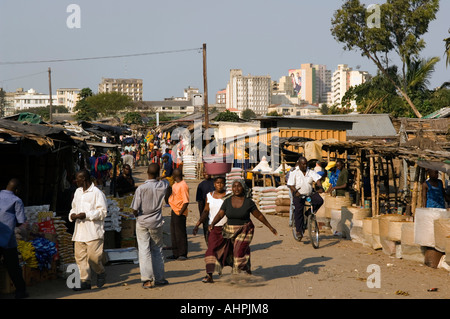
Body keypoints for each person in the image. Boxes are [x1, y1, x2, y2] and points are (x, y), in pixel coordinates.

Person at [208, 179, 277, 277]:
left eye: (239, 186)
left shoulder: (248, 202)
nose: (236, 188)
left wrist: (270, 227)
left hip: (245, 230)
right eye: (234, 186)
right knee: (231, 252)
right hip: (230, 230)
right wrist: (213, 223)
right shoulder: (227, 201)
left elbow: (259, 215)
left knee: (238, 252)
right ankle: (246, 267)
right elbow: (220, 214)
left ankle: (236, 274)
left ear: (243, 187)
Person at [131, 163, 170, 288]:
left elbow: (135, 209)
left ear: (147, 172)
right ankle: (159, 278)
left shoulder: (141, 189)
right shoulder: (163, 186)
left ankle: (147, 280)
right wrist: (158, 178)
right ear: (158, 174)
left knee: (144, 250)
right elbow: (167, 183)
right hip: (156, 222)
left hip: (142, 221)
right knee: (157, 250)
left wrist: (137, 215)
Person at [69, 169, 108, 291]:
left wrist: (86, 215)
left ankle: (100, 272)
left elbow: (102, 212)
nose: (76, 181)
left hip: (93, 232)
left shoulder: (97, 193)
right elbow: (73, 207)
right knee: (80, 258)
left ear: (84, 179)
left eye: (78, 179)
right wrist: (72, 215)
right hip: (80, 231)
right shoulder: (77, 192)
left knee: (94, 258)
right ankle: (85, 281)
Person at [193, 177, 227, 283]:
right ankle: (209, 274)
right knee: (210, 250)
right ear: (214, 184)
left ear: (224, 184)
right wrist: (198, 224)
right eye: (217, 183)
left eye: (221, 183)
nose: (219, 185)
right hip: (213, 228)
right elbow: (205, 211)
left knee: (226, 252)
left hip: (227, 228)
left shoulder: (229, 195)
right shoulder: (209, 196)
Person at [0, 178, 28, 299]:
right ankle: (20, 291)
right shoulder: (16, 200)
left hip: (6, 238)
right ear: (17, 190)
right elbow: (21, 221)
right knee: (13, 267)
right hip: (7, 239)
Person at [287, 157, 324, 241]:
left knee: (319, 200)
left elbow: (317, 179)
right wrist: (296, 192)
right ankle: (299, 231)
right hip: (298, 194)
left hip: (309, 193)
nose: (304, 165)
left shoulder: (310, 171)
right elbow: (290, 184)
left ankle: (308, 213)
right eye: (303, 164)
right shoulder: (294, 172)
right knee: (298, 210)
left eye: (306, 164)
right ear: (299, 164)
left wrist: (320, 186)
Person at [167, 168, 190, 260]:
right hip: (174, 210)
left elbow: (186, 201)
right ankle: (175, 253)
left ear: (174, 175)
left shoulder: (183, 185)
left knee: (180, 234)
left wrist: (180, 212)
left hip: (180, 212)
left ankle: (182, 253)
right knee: (174, 233)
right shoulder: (175, 185)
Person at [195, 172, 215, 244]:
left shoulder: (215, 183)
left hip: (215, 211)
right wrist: (201, 216)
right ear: (202, 173)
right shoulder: (201, 185)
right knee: (207, 232)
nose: (206, 173)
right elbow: (200, 202)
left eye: (208, 171)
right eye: (204, 172)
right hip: (206, 212)